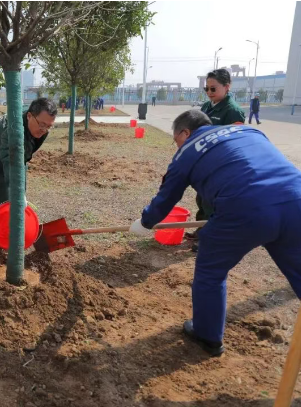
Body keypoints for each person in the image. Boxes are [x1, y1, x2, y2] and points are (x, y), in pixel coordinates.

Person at [129, 109, 301, 356]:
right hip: (296, 200)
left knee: (211, 271)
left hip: (245, 208)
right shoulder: (247, 130)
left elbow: (167, 197)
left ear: (185, 133)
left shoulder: (187, 152)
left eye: (176, 140)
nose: (177, 146)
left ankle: (207, 334)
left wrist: (145, 222)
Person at [187, 69, 246, 251]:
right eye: (207, 88)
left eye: (213, 88)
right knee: (201, 199)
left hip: (220, 165)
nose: (209, 92)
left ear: (227, 87)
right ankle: (201, 230)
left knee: (212, 203)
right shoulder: (207, 107)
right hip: (204, 162)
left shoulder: (233, 112)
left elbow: (236, 143)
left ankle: (210, 238)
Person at [0, 98, 57, 206]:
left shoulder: (43, 129)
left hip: (17, 154)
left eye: (49, 126)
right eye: (42, 124)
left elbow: (28, 152)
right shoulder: (13, 129)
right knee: (6, 197)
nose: (44, 130)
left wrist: (21, 193)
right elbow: (10, 161)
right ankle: (4, 214)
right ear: (29, 116)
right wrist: (16, 192)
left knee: (21, 190)